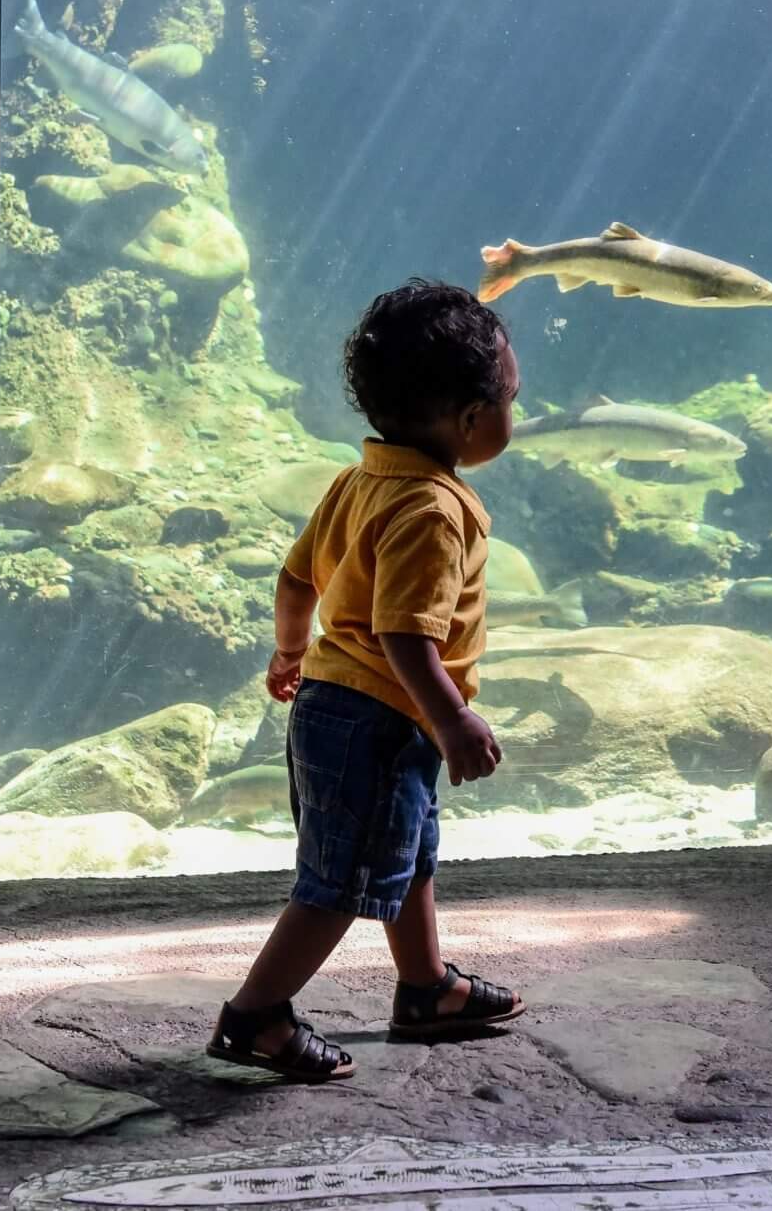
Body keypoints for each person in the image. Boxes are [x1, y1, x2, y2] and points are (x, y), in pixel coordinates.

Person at [209, 278, 527, 1082]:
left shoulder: (359, 481)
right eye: (511, 399)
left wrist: (289, 652)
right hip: (381, 717)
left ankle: (425, 989)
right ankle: (256, 1015)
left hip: (334, 702)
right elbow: (404, 634)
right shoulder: (431, 507)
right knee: (341, 880)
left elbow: (295, 580)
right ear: (468, 420)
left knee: (408, 853)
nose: (516, 413)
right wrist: (452, 718)